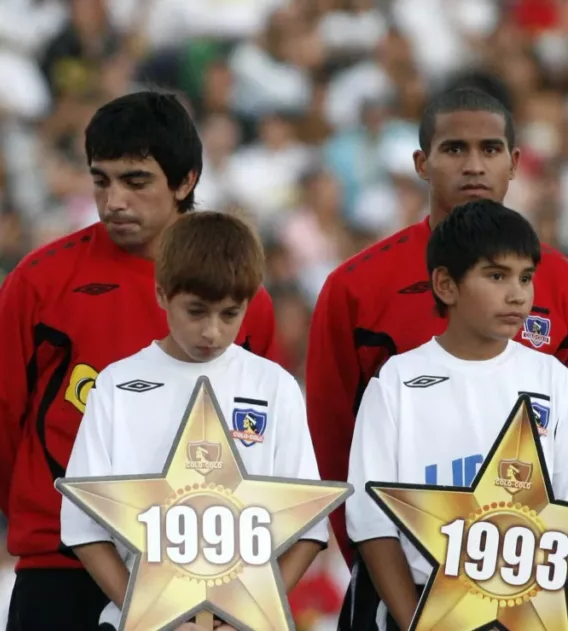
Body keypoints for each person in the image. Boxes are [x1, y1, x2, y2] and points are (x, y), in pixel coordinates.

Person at [0, 90, 281, 631]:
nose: (114, 201)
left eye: (136, 181)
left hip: (200, 574)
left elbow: (261, 444)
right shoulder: (41, 281)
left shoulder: (242, 298)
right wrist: (50, 511)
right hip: (60, 571)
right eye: (101, 180)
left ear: (185, 181)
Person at [305, 86, 568, 570]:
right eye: (454, 149)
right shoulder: (355, 286)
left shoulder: (561, 281)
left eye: (489, 149)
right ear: (422, 163)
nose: (473, 165)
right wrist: (373, 567)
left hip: (534, 578)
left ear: (514, 162)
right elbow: (330, 437)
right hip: (400, 574)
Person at [60, 211, 327, 630]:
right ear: (162, 294)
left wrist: (250, 613)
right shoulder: (117, 384)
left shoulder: (275, 386)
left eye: (229, 314)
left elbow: (311, 528)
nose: (212, 332)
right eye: (197, 311)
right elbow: (82, 528)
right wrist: (148, 613)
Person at [344, 199, 568, 630]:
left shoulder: (553, 379)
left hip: (534, 613)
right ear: (445, 285)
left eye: (526, 277)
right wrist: (416, 623)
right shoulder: (396, 383)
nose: (517, 293)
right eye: (497, 275)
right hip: (424, 608)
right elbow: (371, 523)